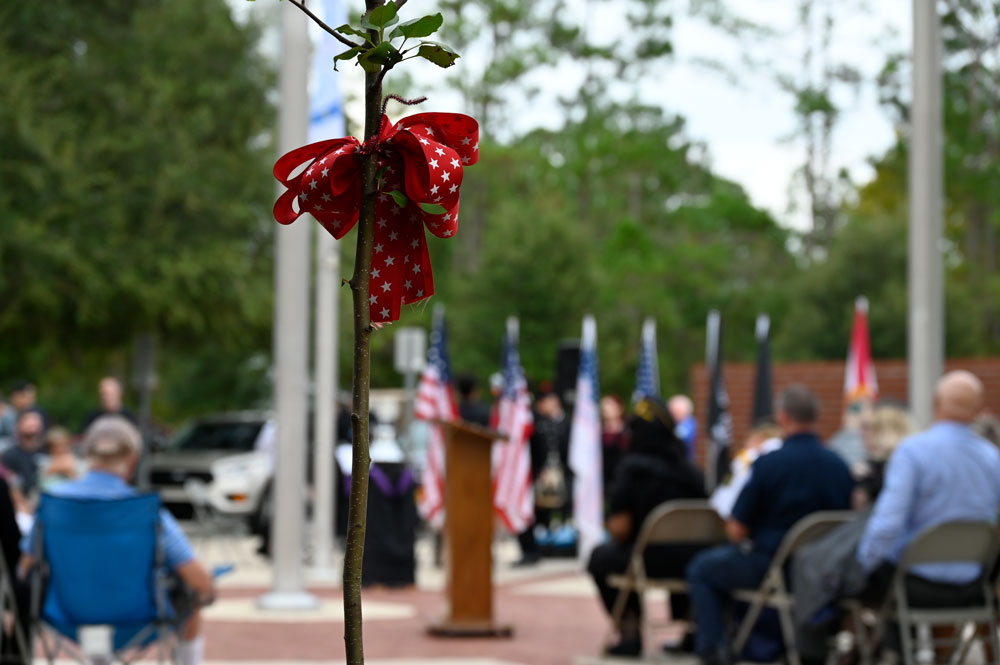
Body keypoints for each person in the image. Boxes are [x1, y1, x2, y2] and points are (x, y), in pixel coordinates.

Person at [19, 416, 214, 665]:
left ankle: (101, 658)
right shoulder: (146, 512)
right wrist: (209, 587)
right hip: (139, 618)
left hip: (66, 617)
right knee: (191, 595)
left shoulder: (52, 506)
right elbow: (197, 578)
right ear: (132, 458)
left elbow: (24, 568)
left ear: (86, 454)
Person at [686, 385, 853, 665]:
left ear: (783, 418)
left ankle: (714, 650)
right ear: (816, 417)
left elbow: (737, 530)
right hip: (823, 571)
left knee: (703, 569)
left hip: (774, 567)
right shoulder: (839, 465)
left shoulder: (769, 464)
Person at [856, 370, 1000, 601]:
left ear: (936, 403)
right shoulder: (992, 458)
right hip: (972, 584)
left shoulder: (913, 452)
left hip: (912, 583)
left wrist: (861, 566)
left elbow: (887, 527)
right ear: (977, 409)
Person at [588, 397, 707, 657]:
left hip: (646, 559)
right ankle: (693, 630)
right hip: (694, 561)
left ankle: (630, 633)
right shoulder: (692, 472)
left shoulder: (631, 470)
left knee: (599, 558)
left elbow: (620, 529)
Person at [515, 389, 571, 566]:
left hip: (556, 471)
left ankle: (552, 544)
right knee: (536, 509)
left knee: (554, 509)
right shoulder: (534, 421)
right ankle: (533, 548)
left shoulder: (561, 423)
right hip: (536, 473)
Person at [709, 423, 782, 519]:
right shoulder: (746, 458)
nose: (746, 444)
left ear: (759, 440)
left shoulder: (751, 456)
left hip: (731, 514)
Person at [1, 411, 46, 500]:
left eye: (36, 420)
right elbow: (10, 482)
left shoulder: (49, 450)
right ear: (17, 426)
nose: (32, 422)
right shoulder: (9, 455)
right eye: (28, 420)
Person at [38, 426, 85, 491]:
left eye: (64, 445)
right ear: (50, 448)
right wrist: (55, 468)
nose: (60, 449)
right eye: (56, 446)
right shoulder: (44, 461)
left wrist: (70, 472)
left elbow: (82, 484)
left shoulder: (77, 462)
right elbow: (40, 482)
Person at [600, 395, 628, 499]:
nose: (606, 409)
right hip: (604, 479)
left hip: (622, 477)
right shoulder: (598, 432)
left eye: (610, 405)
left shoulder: (627, 431)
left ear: (619, 408)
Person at [669, 394, 697, 459]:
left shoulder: (689, 424)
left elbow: (679, 438)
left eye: (676, 411)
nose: (673, 414)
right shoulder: (675, 423)